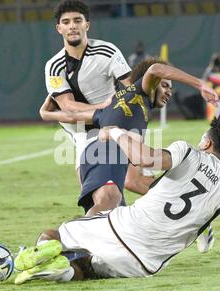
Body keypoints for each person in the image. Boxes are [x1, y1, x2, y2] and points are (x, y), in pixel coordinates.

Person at [13, 117, 220, 284]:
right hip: (143, 264)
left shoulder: (188, 151)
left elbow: (142, 157)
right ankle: (62, 270)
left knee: (55, 234)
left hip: (121, 228)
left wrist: (115, 132)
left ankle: (43, 256)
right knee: (87, 269)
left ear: (206, 142)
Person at [40, 58, 220, 216]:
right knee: (108, 203)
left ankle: (66, 245)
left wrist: (46, 114)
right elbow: (156, 68)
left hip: (93, 155)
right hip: (106, 152)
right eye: (165, 85)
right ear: (152, 83)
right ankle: (67, 241)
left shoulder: (116, 103)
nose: (169, 92)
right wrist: (201, 84)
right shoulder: (138, 92)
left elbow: (73, 117)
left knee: (113, 219)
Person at [45, 0, 152, 196]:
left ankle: (184, 208)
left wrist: (141, 108)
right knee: (95, 197)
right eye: (66, 22)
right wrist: (104, 108)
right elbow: (68, 106)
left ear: (87, 25)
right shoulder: (54, 66)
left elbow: (131, 86)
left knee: (134, 181)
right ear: (59, 28)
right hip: (83, 134)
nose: (72, 26)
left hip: (117, 124)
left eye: (77, 20)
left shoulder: (107, 51)